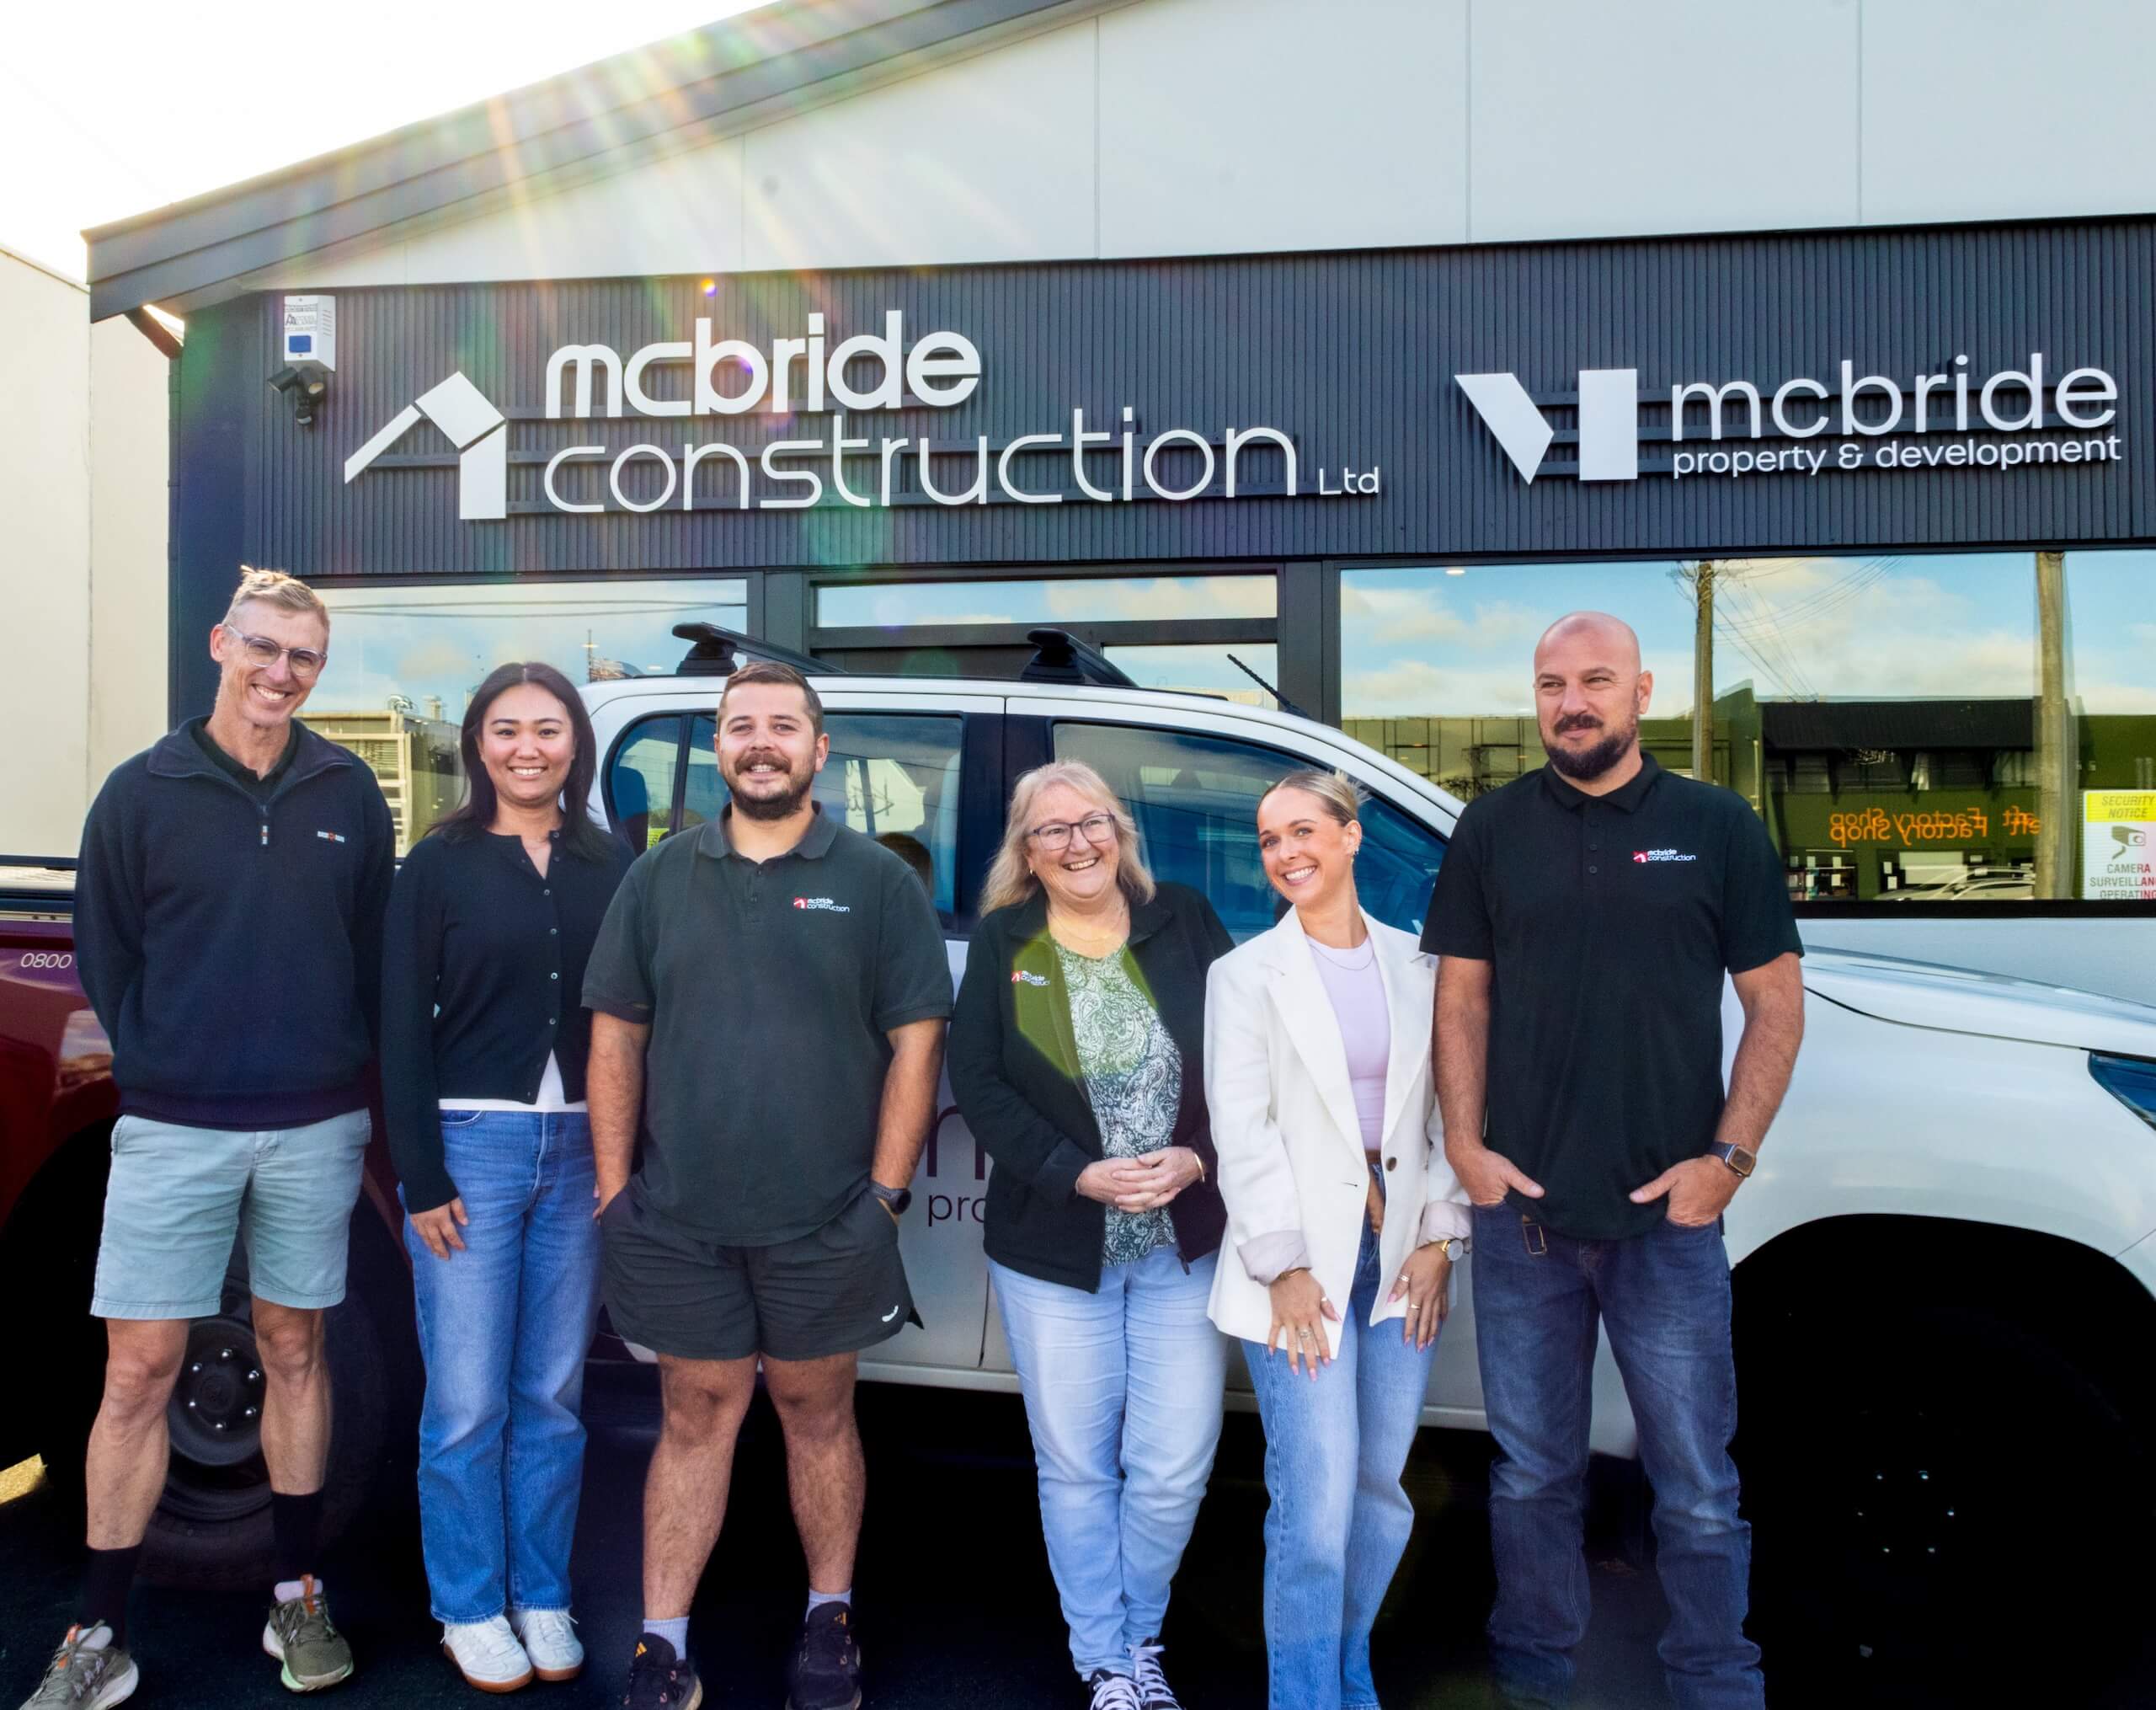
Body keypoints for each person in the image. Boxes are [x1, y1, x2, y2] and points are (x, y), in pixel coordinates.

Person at [22, 567, 392, 1710]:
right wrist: (165, 1060)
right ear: (222, 643)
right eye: (266, 647)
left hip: (314, 1128)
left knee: (295, 1353)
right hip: (175, 1128)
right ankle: (98, 1629)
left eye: (305, 657)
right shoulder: (142, 792)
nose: (281, 671)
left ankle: (296, 1595)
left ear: (318, 670)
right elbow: (106, 948)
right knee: (138, 1368)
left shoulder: (350, 793)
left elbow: (369, 943)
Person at [1423, 612, 1805, 1709]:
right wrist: (1465, 1144)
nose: (1572, 703)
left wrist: (1728, 1159)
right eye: (1552, 684)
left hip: (1668, 1231)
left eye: (1595, 681)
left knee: (1694, 1487)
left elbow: (1774, 1004)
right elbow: (1462, 994)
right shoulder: (1492, 829)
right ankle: (1535, 1679)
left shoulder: (1715, 824)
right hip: (1524, 1226)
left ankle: (1716, 1681)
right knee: (1533, 1478)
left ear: (1643, 692)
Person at [583, 660, 950, 1710]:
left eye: (782, 725)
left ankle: (829, 1617)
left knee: (815, 1408)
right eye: (740, 725)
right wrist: (615, 1189)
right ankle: (661, 1642)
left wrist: (881, 1195)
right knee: (694, 1414)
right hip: (678, 1218)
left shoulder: (879, 878)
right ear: (720, 744)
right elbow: (617, 1030)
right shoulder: (657, 876)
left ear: (817, 748)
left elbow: (916, 1041)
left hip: (828, 1218)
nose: (760, 741)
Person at [947, 761, 1234, 1710]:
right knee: (1074, 1461)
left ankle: (1140, 1629)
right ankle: (1105, 1658)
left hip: (1180, 1242)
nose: (1077, 842)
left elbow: (1248, 1058)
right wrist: (1075, 1170)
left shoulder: (1182, 919)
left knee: (1173, 1464)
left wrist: (1196, 1156)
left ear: (1121, 829)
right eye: (1050, 830)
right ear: (1025, 853)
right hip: (1054, 1246)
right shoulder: (1006, 942)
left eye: (1092, 821)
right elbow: (980, 1082)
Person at [380, 662, 632, 1692]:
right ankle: (470, 1604)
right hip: (468, 1147)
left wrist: (625, 1157)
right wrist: (421, 1172)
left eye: (548, 728)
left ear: (576, 741)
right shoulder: (433, 865)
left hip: (579, 1149)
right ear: (477, 745)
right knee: (469, 1398)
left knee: (553, 1394)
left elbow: (630, 1020)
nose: (527, 746)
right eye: (504, 728)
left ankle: (541, 1591)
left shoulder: (610, 863)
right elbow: (399, 1027)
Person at [1203, 770, 1470, 1710]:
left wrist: (1442, 1233)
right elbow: (1242, 1131)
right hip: (1300, 1274)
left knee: (1377, 1492)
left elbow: (1446, 1110)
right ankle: (1305, 1695)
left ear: (1353, 836)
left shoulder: (1419, 963)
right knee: (1313, 1510)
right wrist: (1280, 1265)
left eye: (1304, 830)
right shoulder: (1241, 976)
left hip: (1399, 1263)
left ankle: (1349, 1673)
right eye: (1270, 838)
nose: (1286, 853)